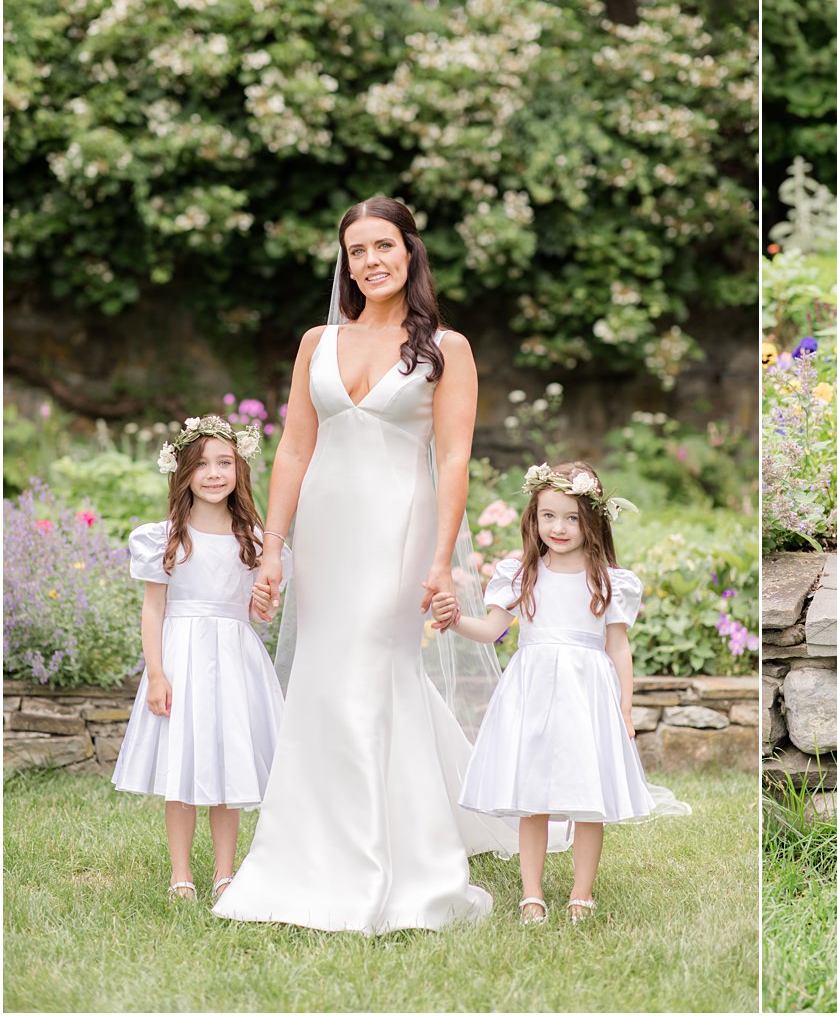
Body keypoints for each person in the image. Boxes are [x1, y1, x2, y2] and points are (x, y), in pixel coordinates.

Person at [213, 196, 562, 935]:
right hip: (327, 529)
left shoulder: (448, 349)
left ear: (410, 253)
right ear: (347, 264)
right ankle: (308, 848)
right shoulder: (318, 342)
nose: (371, 261)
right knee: (326, 670)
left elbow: (454, 455)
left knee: (374, 665)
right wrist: (272, 549)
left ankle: (393, 864)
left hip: (400, 528)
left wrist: (442, 560)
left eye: (384, 246)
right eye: (357, 251)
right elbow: (295, 450)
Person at [429, 461, 689, 924]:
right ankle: (532, 894)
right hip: (532, 692)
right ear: (533, 517)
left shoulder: (608, 579)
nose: (559, 527)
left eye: (572, 517)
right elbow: (491, 630)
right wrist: (453, 621)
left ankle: (581, 893)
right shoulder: (522, 572)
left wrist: (625, 708)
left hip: (586, 692)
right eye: (548, 516)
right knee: (534, 799)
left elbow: (618, 647)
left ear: (593, 520)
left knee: (588, 798)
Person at [113, 415, 287, 903]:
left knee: (229, 761)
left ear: (239, 469)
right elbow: (154, 609)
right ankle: (181, 874)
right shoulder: (166, 536)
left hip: (233, 656)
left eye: (224, 463)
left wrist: (261, 605)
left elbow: (261, 612)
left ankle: (226, 873)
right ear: (183, 471)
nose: (214, 473)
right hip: (182, 654)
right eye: (202, 464)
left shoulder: (253, 539)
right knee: (182, 767)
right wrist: (156, 673)